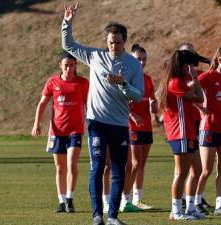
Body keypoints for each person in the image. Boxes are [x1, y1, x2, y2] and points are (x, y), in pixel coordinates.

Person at [62, 3, 144, 225]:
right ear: (105, 41)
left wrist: (124, 84)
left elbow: (138, 95)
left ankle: (113, 217)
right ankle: (97, 215)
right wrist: (67, 22)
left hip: (119, 124)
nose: (113, 47)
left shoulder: (133, 64)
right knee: (97, 168)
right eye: (110, 43)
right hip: (96, 122)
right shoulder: (95, 56)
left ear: (124, 42)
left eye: (117, 43)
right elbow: (68, 44)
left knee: (119, 171)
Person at [31, 51, 89, 213]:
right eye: (66, 66)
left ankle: (70, 199)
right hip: (56, 131)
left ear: (76, 65)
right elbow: (42, 103)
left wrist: (92, 123)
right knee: (59, 168)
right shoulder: (52, 82)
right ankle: (61, 201)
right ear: (60, 66)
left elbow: (89, 104)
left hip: (75, 131)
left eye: (71, 65)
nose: (69, 69)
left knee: (72, 164)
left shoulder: (82, 83)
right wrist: (37, 124)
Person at [157, 50, 205, 220]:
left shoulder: (181, 81)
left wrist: (193, 80)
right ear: (184, 66)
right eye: (190, 66)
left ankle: (190, 208)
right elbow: (199, 98)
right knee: (181, 172)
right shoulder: (175, 82)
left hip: (189, 131)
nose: (192, 69)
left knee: (197, 170)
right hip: (180, 132)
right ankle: (175, 211)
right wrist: (196, 79)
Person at [195, 43, 221, 216]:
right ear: (220, 60)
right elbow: (188, 91)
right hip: (209, 128)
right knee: (206, 170)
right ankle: (196, 201)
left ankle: (220, 205)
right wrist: (200, 108)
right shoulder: (206, 77)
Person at [120, 44, 157, 211]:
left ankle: (137, 199)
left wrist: (154, 104)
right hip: (132, 126)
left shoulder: (148, 79)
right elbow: (120, 103)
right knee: (134, 163)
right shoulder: (126, 78)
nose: (141, 62)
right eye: (138, 59)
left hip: (146, 125)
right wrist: (132, 115)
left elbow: (151, 99)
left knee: (142, 163)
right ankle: (124, 199)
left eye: (144, 59)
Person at [177, 43, 213, 211]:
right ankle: (181, 202)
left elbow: (202, 94)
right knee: (184, 167)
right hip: (183, 125)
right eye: (186, 53)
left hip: (196, 123)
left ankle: (196, 198)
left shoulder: (196, 74)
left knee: (196, 168)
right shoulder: (178, 77)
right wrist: (201, 106)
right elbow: (191, 96)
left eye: (192, 52)